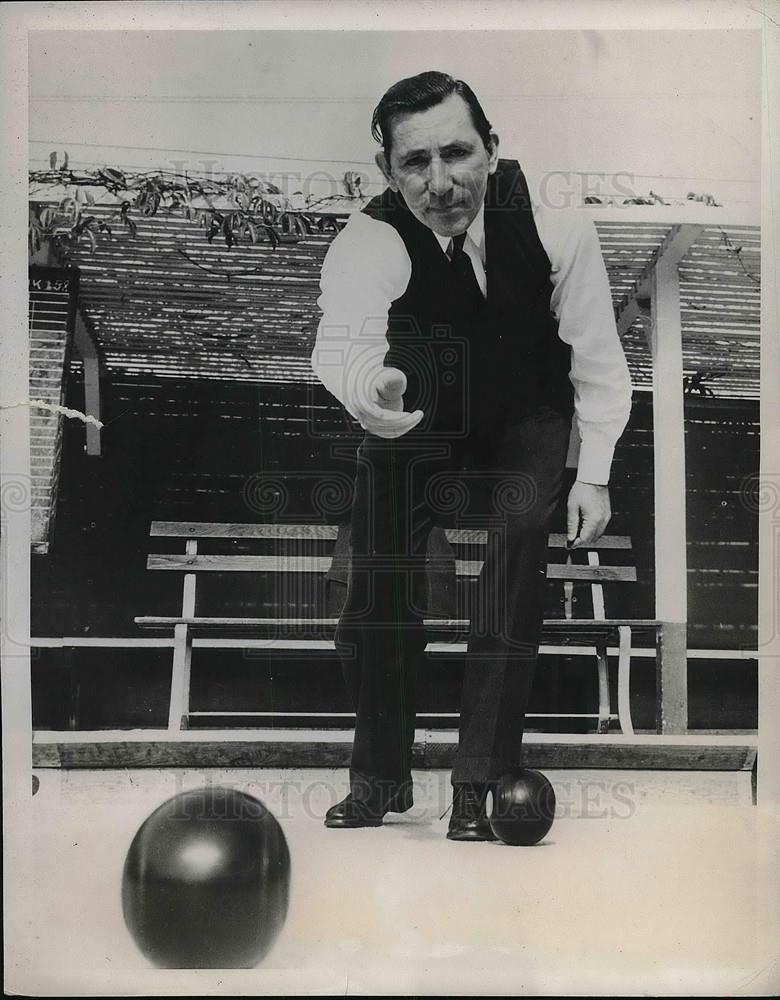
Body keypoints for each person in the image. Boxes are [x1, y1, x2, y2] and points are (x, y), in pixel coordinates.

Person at [310, 71, 632, 840]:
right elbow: (341, 337)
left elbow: (596, 358)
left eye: (458, 153)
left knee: (515, 563)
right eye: (415, 163)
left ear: (492, 147)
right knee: (369, 596)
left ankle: (477, 782)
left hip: (526, 416)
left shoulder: (558, 226)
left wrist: (594, 475)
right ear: (388, 171)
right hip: (413, 418)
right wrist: (371, 388)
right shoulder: (371, 236)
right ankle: (380, 779)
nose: (441, 181)